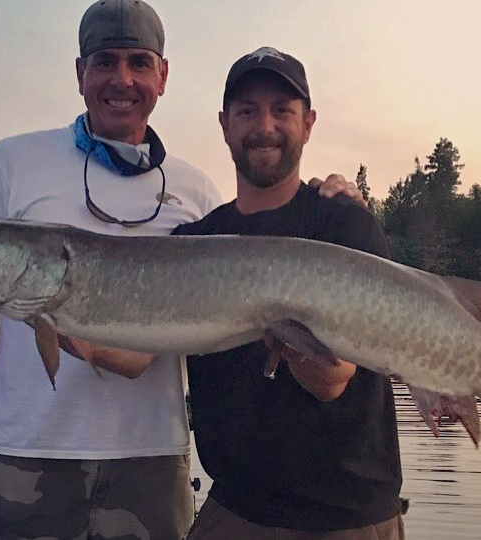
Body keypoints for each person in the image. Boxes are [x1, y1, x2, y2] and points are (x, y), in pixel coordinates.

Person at [0, 2, 360, 539]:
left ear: (162, 75)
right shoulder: (14, 162)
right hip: (25, 455)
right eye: (104, 62)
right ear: (80, 73)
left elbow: (248, 300)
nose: (121, 79)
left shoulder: (196, 192)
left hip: (152, 464)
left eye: (138, 62)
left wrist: (332, 202)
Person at [172, 48, 404, 539]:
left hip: (349, 518)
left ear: (309, 122)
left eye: (282, 109)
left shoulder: (344, 222)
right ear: (224, 124)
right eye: (247, 111)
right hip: (235, 509)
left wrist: (296, 346)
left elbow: (332, 379)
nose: (265, 125)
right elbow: (126, 350)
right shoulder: (193, 244)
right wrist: (45, 304)